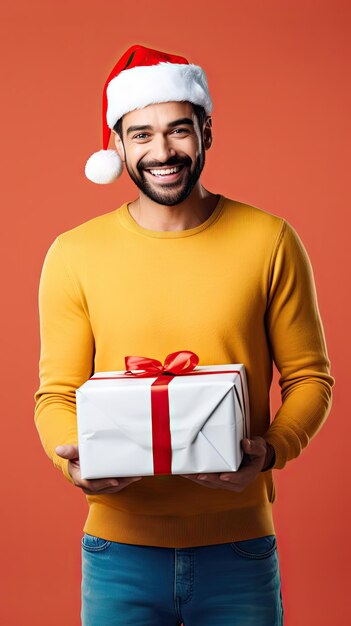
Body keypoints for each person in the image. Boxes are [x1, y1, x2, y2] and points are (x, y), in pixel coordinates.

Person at [34, 44, 334, 626]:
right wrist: (74, 460)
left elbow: (309, 378)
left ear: (206, 132)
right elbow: (56, 394)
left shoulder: (268, 239)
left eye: (179, 130)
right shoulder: (75, 254)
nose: (162, 151)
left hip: (239, 548)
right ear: (117, 145)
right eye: (141, 134)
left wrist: (271, 451)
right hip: (117, 553)